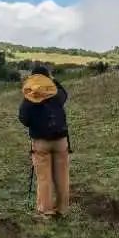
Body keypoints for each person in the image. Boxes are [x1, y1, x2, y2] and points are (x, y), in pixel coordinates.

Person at [18, 65, 70, 217]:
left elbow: (23, 119)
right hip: (61, 140)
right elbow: (65, 94)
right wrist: (53, 81)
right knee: (62, 177)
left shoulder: (30, 96)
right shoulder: (56, 94)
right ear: (48, 77)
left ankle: (46, 212)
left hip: (41, 141)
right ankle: (62, 210)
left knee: (44, 178)